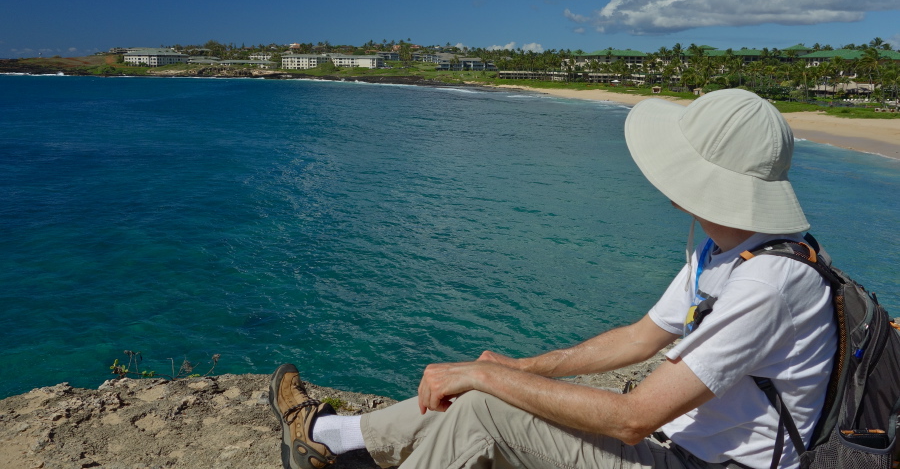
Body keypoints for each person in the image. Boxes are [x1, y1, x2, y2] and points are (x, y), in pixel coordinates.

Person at [269, 88, 837, 469]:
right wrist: (517, 368)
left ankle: (331, 439)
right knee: (482, 398)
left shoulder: (768, 283)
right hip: (685, 448)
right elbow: (640, 338)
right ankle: (333, 438)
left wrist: (489, 380)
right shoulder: (729, 248)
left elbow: (633, 418)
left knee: (483, 406)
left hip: (701, 463)